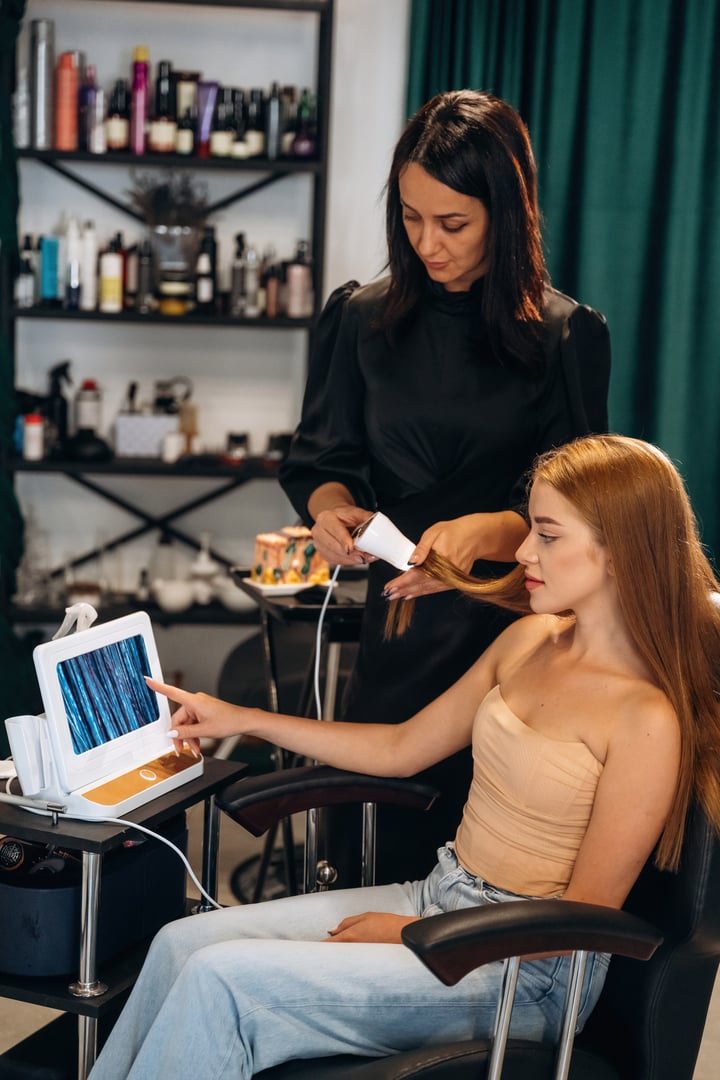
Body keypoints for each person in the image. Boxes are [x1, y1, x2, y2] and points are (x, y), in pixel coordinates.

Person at [89, 434, 720, 1080]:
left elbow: (579, 922)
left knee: (222, 982)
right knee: (179, 944)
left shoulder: (646, 720)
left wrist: (406, 935)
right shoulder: (531, 640)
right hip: (438, 899)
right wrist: (238, 717)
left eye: (549, 536)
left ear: (622, 553)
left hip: (522, 972)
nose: (524, 550)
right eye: (531, 528)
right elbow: (400, 747)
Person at [279, 89, 611, 883]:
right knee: (368, 871)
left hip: (517, 638)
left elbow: (588, 509)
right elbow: (321, 459)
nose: (427, 243)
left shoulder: (565, 337)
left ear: (505, 211)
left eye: (452, 223)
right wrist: (332, 515)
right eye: (409, 217)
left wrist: (492, 530)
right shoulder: (360, 321)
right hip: (398, 636)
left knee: (491, 884)